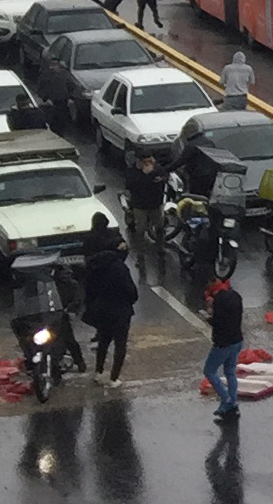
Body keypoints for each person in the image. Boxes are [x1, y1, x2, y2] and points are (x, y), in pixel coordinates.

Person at [83, 243, 137, 387]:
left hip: (101, 311)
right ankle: (114, 378)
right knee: (120, 344)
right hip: (120, 311)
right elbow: (131, 290)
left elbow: (88, 291)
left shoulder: (94, 267)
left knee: (103, 341)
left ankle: (98, 372)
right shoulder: (119, 268)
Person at [203, 280, 243, 420]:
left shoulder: (218, 301)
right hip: (237, 340)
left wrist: (209, 315)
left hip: (223, 343)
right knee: (230, 372)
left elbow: (218, 322)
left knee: (209, 370)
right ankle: (233, 400)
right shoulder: (236, 296)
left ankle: (226, 399)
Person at [125, 153, 167, 245]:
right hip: (140, 205)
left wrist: (160, 179)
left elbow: (165, 177)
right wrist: (146, 175)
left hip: (156, 203)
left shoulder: (157, 169)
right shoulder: (133, 172)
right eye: (145, 162)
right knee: (140, 229)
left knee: (160, 226)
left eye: (150, 161)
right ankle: (140, 253)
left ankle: (161, 246)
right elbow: (129, 185)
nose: (148, 164)